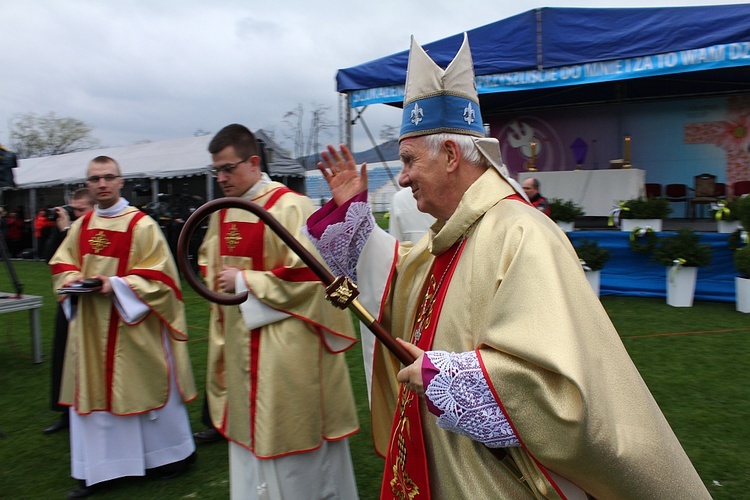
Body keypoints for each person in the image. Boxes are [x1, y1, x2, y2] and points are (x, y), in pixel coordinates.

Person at [305, 35, 710, 498]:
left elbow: (558, 390)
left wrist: (448, 379)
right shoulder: (452, 234)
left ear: (452, 156)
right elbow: (399, 277)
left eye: (409, 160)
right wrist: (349, 221)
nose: (402, 176)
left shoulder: (522, 234)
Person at [197, 124, 359, 498]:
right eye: (216, 171)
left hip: (287, 350)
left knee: (293, 445)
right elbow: (208, 261)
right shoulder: (224, 213)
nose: (221, 178)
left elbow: (316, 278)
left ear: (254, 162)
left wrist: (244, 282)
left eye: (228, 168)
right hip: (240, 345)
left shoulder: (292, 206)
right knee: (248, 442)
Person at [49, 156, 197, 498]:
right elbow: (62, 262)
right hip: (90, 327)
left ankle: (168, 456)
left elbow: (162, 279)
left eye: (108, 177)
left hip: (133, 326)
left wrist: (115, 285)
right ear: (88, 185)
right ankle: (101, 469)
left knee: (144, 384)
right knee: (96, 394)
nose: (101, 184)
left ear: (120, 182)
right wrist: (73, 279)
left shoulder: (142, 225)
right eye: (95, 178)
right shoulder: (81, 226)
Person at [42, 188, 95, 435]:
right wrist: (62, 230)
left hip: (94, 306)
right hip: (69, 300)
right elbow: (51, 258)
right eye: (73, 210)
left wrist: (66, 231)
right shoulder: (73, 229)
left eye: (81, 210)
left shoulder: (95, 230)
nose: (76, 214)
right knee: (63, 355)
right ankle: (65, 410)